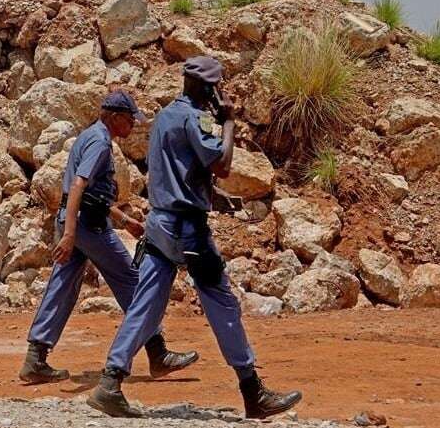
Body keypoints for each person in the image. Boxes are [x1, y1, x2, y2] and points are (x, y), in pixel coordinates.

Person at [87, 56, 302, 419]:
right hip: (188, 227)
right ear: (206, 88)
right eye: (215, 87)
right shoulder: (194, 118)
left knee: (147, 304)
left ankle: (110, 382)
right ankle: (252, 389)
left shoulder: (165, 117)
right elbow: (223, 164)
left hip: (159, 223)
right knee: (222, 302)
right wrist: (229, 123)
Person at [20, 90, 198, 384]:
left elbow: (90, 196)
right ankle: (158, 353)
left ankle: (35, 359)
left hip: (76, 222)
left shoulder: (88, 136)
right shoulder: (101, 143)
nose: (132, 126)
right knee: (132, 281)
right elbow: (78, 186)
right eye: (129, 120)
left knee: (62, 286)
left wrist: (123, 220)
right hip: (87, 227)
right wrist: (70, 235)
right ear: (115, 118)